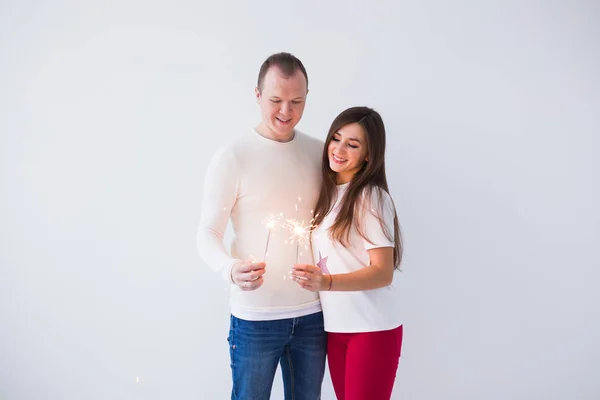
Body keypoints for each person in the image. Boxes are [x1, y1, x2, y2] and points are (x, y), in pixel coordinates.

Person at [196, 52, 327, 400]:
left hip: (313, 316)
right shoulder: (233, 157)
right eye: (275, 100)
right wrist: (230, 268)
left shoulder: (320, 153)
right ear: (257, 95)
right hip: (255, 319)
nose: (286, 111)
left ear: (307, 97)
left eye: (296, 101)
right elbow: (207, 233)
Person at [291, 106, 404, 400]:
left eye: (352, 144)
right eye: (336, 138)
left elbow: (383, 272)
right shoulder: (329, 195)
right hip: (336, 328)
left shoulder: (370, 196)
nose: (338, 150)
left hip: (371, 329)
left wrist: (326, 282)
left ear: (369, 154)